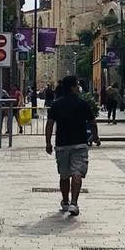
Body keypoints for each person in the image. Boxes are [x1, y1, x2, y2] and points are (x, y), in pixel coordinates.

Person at [46, 74, 95, 217]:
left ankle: (65, 201)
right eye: (77, 85)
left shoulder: (56, 104)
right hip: (79, 143)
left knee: (64, 175)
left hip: (62, 144)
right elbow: (92, 122)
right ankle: (74, 203)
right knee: (77, 173)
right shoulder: (83, 104)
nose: (79, 88)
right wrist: (95, 136)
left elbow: (50, 124)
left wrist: (48, 142)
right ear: (73, 87)